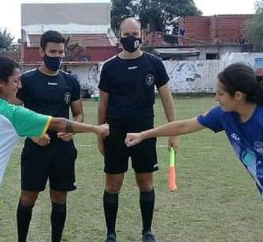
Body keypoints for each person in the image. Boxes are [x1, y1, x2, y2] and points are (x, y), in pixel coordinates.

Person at [125, 63, 263, 242]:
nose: (216, 98)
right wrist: (144, 134)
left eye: (221, 93)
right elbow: (184, 126)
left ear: (238, 96)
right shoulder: (225, 115)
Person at [0, 56, 109, 242]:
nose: (19, 86)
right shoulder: (12, 113)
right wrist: (95, 129)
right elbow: (59, 123)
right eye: (15, 81)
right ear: (0, 82)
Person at [98, 17, 178, 242]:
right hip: (116, 134)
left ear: (141, 34)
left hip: (145, 133)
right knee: (113, 185)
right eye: (126, 35)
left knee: (146, 183)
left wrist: (173, 132)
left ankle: (147, 231)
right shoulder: (110, 67)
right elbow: (103, 103)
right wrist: (99, 134)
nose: (131, 39)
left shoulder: (153, 63)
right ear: (119, 36)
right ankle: (111, 234)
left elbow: (167, 99)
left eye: (134, 34)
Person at [13, 30, 84, 242]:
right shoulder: (27, 80)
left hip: (63, 150)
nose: (57, 56)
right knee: (28, 198)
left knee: (59, 198)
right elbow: (13, 115)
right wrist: (31, 133)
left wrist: (71, 130)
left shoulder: (70, 82)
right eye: (52, 51)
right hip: (36, 149)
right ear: (41, 51)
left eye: (60, 52)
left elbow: (79, 114)